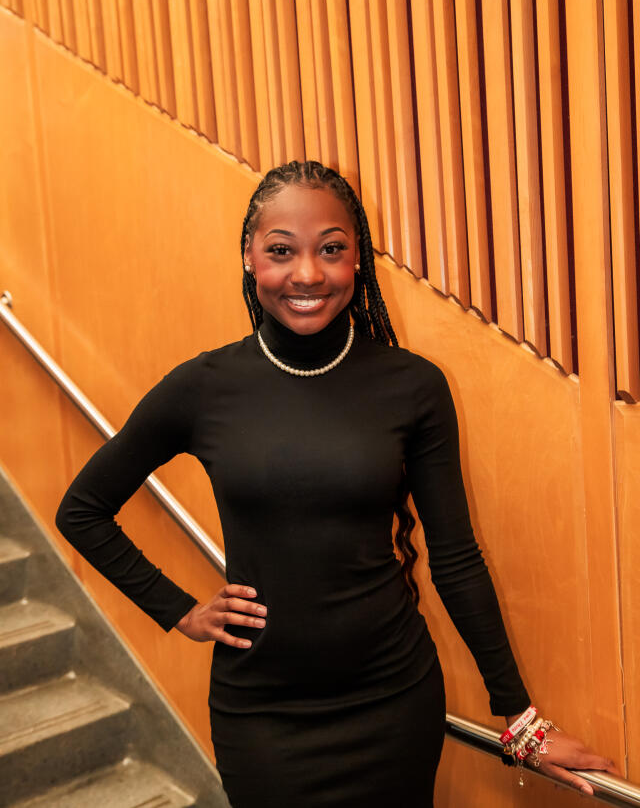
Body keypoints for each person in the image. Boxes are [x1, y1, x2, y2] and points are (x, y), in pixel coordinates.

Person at [56, 160, 619, 807]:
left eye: (331, 249)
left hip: (392, 702)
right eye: (280, 251)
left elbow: (457, 559)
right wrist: (178, 607)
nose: (306, 273)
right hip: (262, 714)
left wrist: (521, 721)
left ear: (358, 260)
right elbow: (84, 510)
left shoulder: (413, 386)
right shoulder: (204, 388)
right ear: (249, 257)